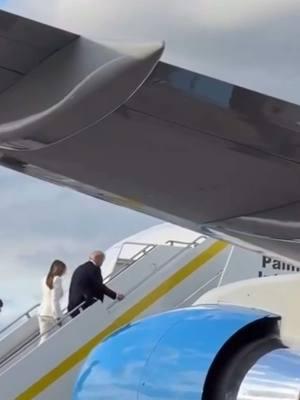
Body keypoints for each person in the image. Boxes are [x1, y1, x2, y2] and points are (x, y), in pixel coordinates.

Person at [68, 251, 124, 318]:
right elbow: (99, 286)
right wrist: (115, 295)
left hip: (73, 306)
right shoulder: (94, 268)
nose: (102, 263)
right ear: (97, 258)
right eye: (102, 260)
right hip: (85, 305)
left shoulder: (80, 268)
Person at [38, 260, 67, 344]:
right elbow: (54, 300)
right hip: (51, 313)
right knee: (71, 326)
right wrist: (58, 316)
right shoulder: (57, 279)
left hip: (42, 312)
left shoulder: (43, 279)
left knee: (44, 338)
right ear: (61, 269)